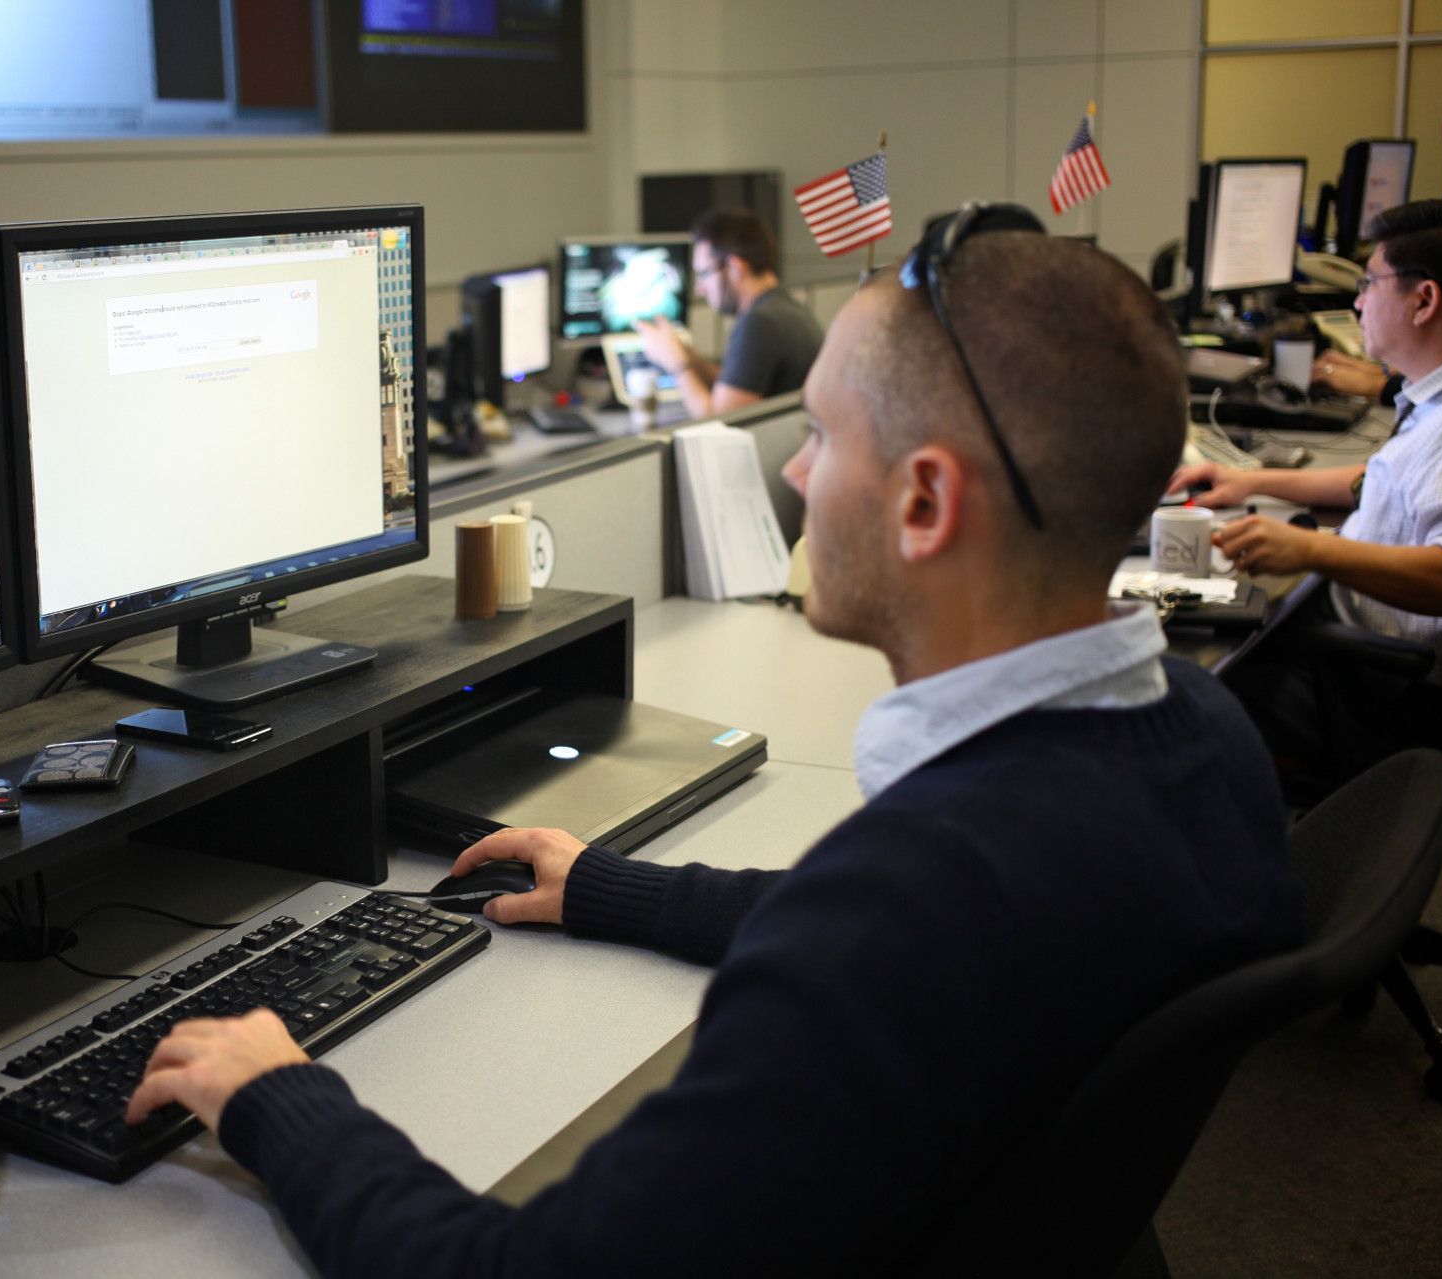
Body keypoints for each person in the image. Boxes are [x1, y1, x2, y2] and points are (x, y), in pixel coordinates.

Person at [124, 215, 1301, 1276]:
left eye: (822, 435)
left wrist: (282, 1099)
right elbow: (870, 920)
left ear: (926, 503)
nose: (792, 469)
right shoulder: (1198, 733)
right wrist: (612, 888)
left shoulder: (915, 911)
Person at [1169, 199, 1442, 670]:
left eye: (1369, 284)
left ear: (1423, 301)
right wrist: (1253, 481)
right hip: (1344, 634)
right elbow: (1381, 480)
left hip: (1371, 675)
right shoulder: (1432, 403)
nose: (1358, 302)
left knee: (1179, 668)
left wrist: (1310, 549)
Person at [634, 208, 821, 420]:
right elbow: (738, 384)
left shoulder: (760, 324)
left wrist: (676, 363)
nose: (699, 289)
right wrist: (688, 356)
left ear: (735, 267)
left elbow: (719, 421)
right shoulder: (785, 310)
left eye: (704, 274)